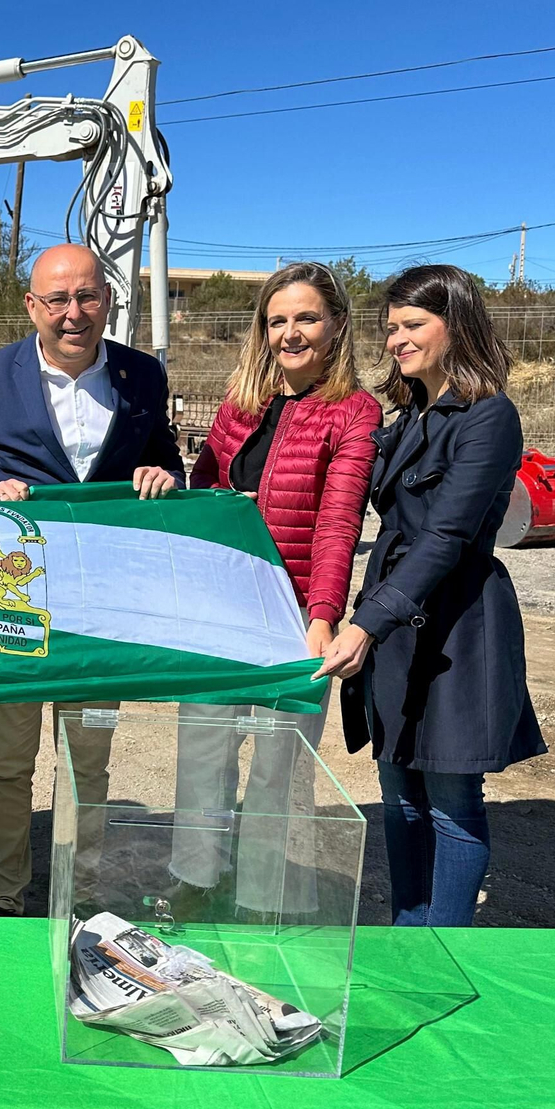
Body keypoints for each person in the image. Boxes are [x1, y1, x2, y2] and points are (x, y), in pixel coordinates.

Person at [0, 243, 184, 916]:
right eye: (57, 298)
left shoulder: (143, 376)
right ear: (32, 306)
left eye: (86, 296)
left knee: (89, 761)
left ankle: (80, 896)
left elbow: (165, 459)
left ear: (107, 300)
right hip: (11, 601)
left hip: (103, 611)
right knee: (6, 762)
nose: (73, 312)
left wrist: (162, 477)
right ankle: (4, 899)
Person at [317, 264, 546, 927]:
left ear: (457, 326)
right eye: (390, 327)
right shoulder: (407, 414)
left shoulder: (489, 417)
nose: (395, 339)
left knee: (450, 799)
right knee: (399, 795)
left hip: (455, 627)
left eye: (413, 324)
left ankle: (445, 948)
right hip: (395, 626)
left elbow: (445, 537)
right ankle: (405, 937)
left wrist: (365, 626)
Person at [170, 262, 381, 919]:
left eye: (307, 318)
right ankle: (197, 877)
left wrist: (323, 614)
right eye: (278, 319)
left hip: (292, 616)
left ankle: (263, 896)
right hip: (221, 610)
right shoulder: (240, 401)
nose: (291, 332)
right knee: (202, 747)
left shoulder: (353, 409)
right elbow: (201, 490)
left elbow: (338, 519)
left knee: (277, 764)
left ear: (337, 324)